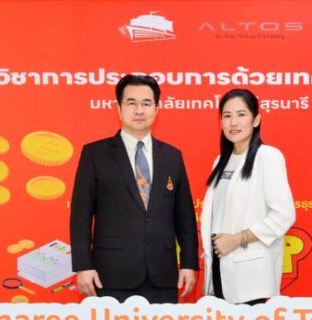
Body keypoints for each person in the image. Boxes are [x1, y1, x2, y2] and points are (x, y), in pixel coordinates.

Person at [70, 74, 199, 303]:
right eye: (131, 103)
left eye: (146, 103)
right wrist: (83, 266)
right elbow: (81, 215)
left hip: (163, 277)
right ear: (118, 109)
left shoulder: (172, 156)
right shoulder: (95, 154)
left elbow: (185, 218)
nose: (139, 110)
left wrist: (189, 263)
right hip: (110, 276)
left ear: (156, 109)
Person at [200, 88, 295, 305]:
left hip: (251, 275)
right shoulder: (220, 161)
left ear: (256, 119)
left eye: (241, 114)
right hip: (218, 268)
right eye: (227, 116)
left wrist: (236, 239)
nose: (233, 122)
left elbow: (284, 215)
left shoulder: (268, 157)